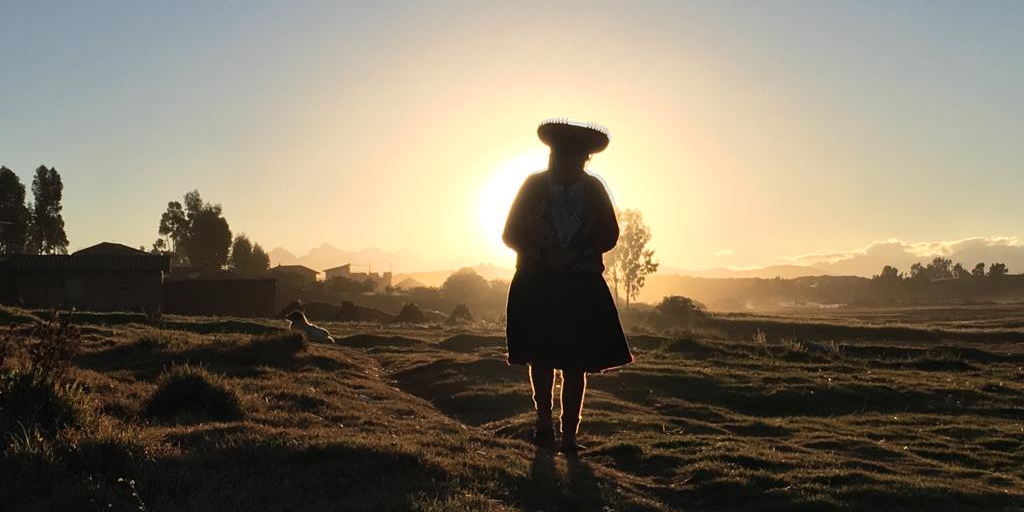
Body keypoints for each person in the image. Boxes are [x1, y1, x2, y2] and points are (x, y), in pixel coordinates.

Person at [502, 119, 633, 455]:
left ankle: (569, 436)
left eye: (575, 158)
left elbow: (609, 234)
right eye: (562, 157)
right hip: (538, 282)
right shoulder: (533, 186)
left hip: (580, 285)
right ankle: (543, 424)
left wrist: (576, 253)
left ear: (584, 160)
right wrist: (542, 254)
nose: (568, 164)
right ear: (552, 157)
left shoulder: (594, 191)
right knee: (541, 358)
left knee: (576, 363)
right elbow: (511, 233)